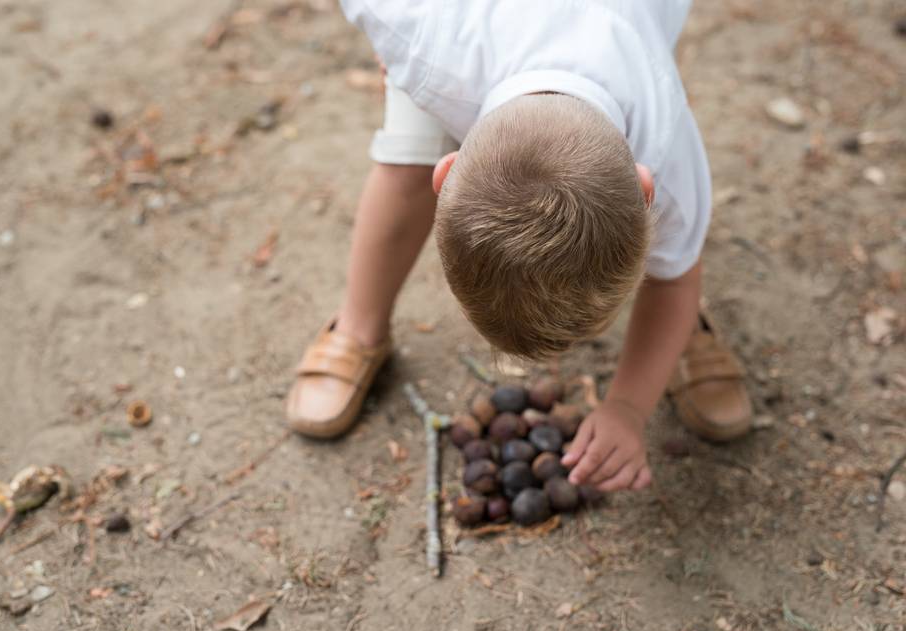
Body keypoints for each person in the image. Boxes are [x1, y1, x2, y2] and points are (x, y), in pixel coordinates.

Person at [286, 1, 753, 493]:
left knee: (677, 254)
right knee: (406, 159)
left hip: (625, 32)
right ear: (444, 175)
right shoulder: (416, 33)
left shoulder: (665, 142)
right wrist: (394, 52)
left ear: (645, 190)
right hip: (452, 43)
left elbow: (675, 279)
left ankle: (678, 336)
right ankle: (359, 327)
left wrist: (628, 407)